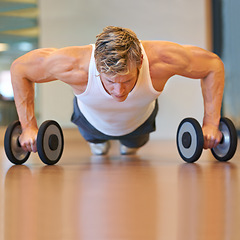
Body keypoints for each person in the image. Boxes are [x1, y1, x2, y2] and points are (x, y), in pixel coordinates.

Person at [10, 26, 224, 155]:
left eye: (127, 80)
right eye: (110, 81)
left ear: (140, 61)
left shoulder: (161, 60)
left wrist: (211, 124)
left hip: (139, 124)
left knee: (131, 149)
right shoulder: (73, 65)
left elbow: (212, 65)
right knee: (97, 145)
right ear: (96, 63)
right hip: (90, 123)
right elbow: (20, 69)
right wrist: (28, 127)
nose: (119, 91)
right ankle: (98, 144)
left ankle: (127, 145)